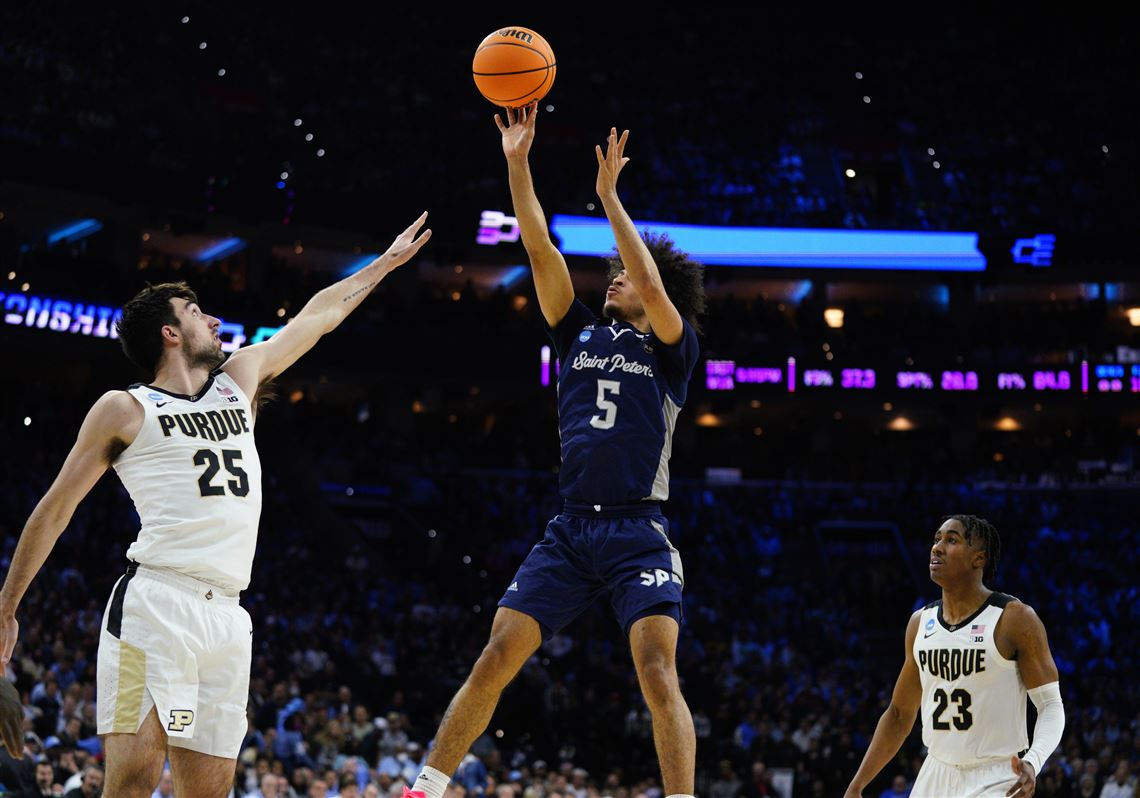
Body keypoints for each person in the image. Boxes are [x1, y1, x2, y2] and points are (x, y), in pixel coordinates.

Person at [0, 214, 431, 797]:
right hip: (153, 608)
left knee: (208, 792)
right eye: (197, 311)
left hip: (227, 618)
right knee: (130, 784)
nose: (214, 318)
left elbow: (319, 318)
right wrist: (7, 608)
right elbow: (54, 509)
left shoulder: (239, 379)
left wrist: (384, 265)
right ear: (170, 334)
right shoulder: (125, 409)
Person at [406, 103, 705, 798]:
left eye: (623, 273)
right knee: (496, 655)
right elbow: (539, 246)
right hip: (571, 527)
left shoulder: (672, 348)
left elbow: (652, 282)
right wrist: (517, 163)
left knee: (658, 671)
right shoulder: (575, 334)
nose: (616, 277)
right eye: (615, 271)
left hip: (638, 529)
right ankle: (424, 786)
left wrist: (609, 199)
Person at [844, 516, 1065, 798]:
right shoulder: (920, 623)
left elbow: (1051, 706)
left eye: (951, 540)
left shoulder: (1014, 619)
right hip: (934, 771)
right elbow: (899, 714)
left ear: (979, 558)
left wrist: (1033, 762)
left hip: (995, 776)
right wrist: (857, 784)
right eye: (937, 539)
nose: (937, 547)